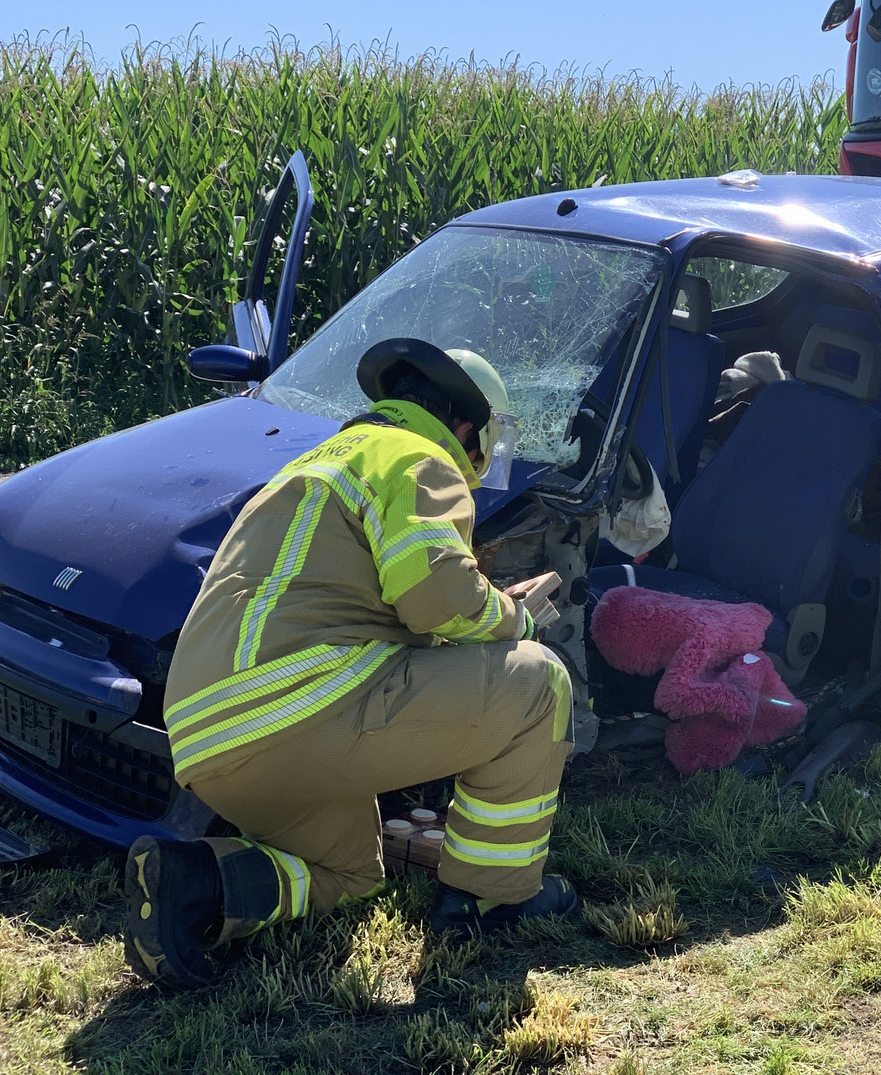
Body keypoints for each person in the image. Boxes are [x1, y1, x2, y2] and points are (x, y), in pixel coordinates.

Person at [125, 338, 579, 989]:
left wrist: (468, 611)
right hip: (302, 709)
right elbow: (434, 596)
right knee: (537, 681)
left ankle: (194, 882)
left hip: (206, 737)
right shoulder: (423, 459)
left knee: (350, 872)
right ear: (465, 426)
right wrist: (518, 620)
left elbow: (369, 605)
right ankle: (490, 901)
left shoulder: (316, 464)